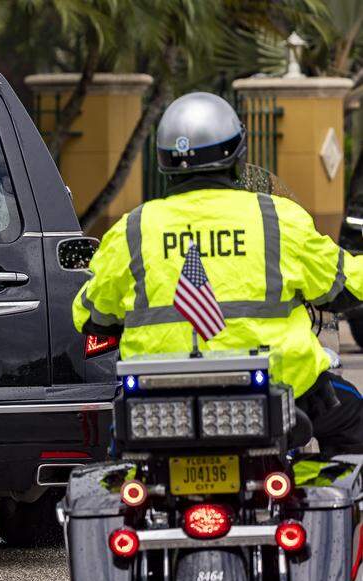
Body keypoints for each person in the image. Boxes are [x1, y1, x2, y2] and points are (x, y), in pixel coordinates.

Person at [73, 91, 363, 455]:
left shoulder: (133, 229)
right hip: (277, 391)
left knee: (121, 464)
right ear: (239, 158)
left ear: (164, 162)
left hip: (159, 401)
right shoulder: (275, 218)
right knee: (351, 419)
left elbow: (89, 314)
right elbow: (343, 283)